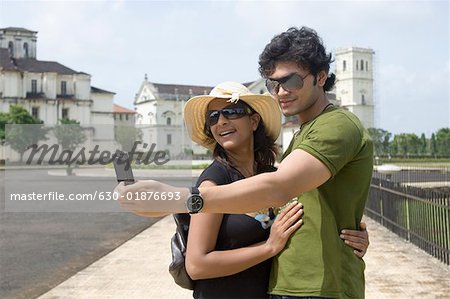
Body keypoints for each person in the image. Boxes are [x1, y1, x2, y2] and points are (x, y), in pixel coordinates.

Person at [116, 26, 373, 298]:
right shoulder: (292, 143)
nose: (282, 91)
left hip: (319, 288)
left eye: (292, 81)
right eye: (274, 84)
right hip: (290, 286)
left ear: (321, 77)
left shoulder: (334, 126)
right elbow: (199, 262)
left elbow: (280, 187)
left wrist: (184, 199)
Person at [181, 81, 368, 298]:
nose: (221, 121)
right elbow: (196, 265)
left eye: (232, 112)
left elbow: (311, 214)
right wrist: (268, 247)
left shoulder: (272, 177)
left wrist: (352, 235)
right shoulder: (214, 182)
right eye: (213, 117)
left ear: (253, 121)